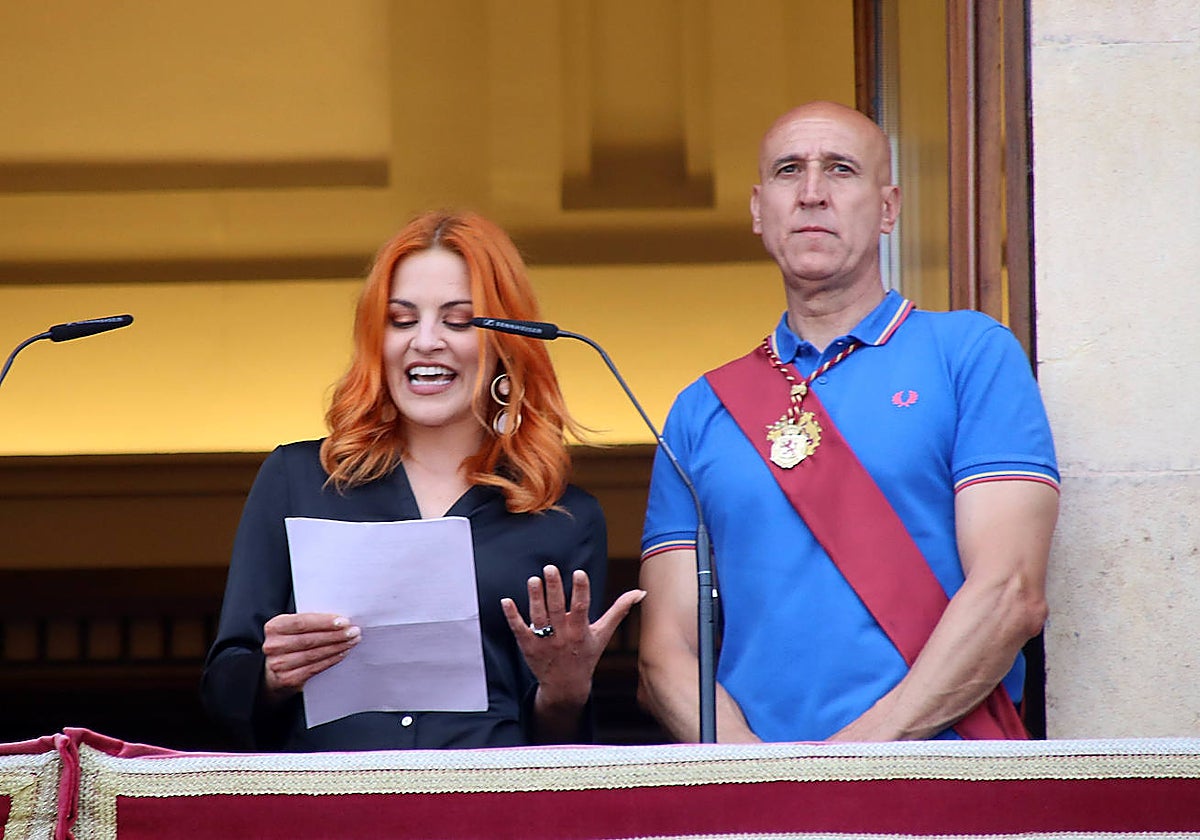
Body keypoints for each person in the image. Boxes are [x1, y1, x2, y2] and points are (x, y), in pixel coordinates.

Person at [637, 101, 1060, 743]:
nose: (811, 194)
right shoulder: (700, 410)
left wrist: (847, 764)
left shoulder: (970, 355)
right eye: (788, 171)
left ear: (888, 207)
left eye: (840, 170)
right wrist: (757, 775)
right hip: (762, 797)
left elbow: (1010, 592)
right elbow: (665, 652)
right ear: (758, 209)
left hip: (941, 779)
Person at [201, 210, 643, 751]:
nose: (425, 341)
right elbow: (222, 693)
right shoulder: (296, 480)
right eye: (401, 320)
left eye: (458, 321)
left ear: (506, 342)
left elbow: (558, 749)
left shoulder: (563, 518)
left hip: (486, 811)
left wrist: (565, 693)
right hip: (329, 808)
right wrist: (271, 676)